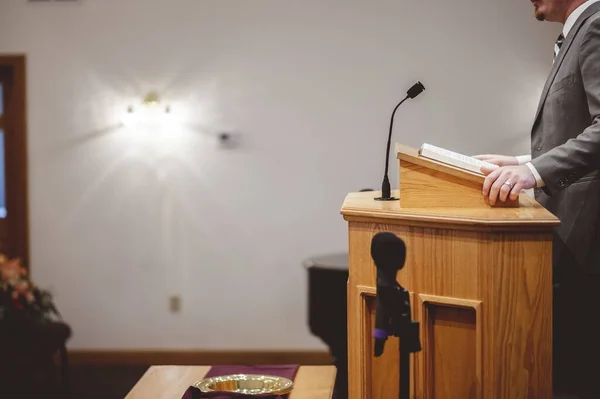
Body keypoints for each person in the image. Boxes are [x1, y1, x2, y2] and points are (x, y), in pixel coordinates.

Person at [475, 1, 600, 397]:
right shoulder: (576, 34)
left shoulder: (596, 26)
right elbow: (576, 128)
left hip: (589, 243)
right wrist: (520, 162)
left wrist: (532, 173)